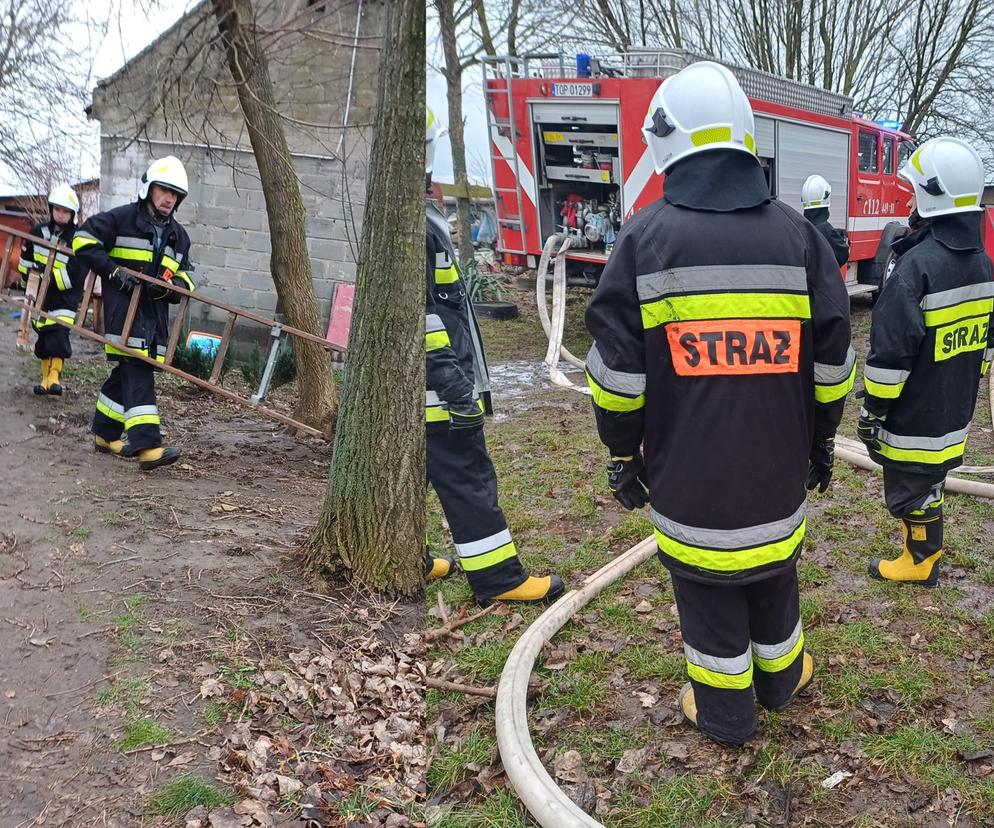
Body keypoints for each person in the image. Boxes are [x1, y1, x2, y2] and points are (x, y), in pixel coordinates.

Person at [584, 62, 854, 745]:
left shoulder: (645, 241)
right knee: (774, 576)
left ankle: (727, 713)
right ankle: (782, 680)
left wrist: (622, 451)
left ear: (668, 144)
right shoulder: (801, 239)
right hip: (777, 477)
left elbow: (618, 375)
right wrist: (821, 441)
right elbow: (832, 363)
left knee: (707, 595)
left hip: (691, 484)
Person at [424, 106, 565, 605]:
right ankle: (499, 579)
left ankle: (407, 557)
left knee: (413, 474)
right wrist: (455, 386)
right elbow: (426, 319)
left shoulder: (416, 220)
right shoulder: (417, 228)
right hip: (437, 391)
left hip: (424, 388)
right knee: (467, 476)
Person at [860, 137, 994, 586]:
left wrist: (873, 410)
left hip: (913, 414)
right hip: (954, 409)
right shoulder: (984, 264)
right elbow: (986, 344)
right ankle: (921, 550)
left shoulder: (916, 267)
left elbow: (891, 353)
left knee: (909, 488)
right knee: (930, 479)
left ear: (931, 195)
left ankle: (920, 560)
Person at [73, 155, 196, 472]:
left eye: (175, 194)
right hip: (123, 316)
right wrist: (112, 271)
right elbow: (83, 240)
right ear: (149, 189)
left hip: (153, 321)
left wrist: (170, 288)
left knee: (125, 375)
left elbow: (186, 278)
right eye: (163, 190)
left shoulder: (179, 237)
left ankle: (104, 433)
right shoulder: (121, 219)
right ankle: (147, 445)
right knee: (137, 373)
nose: (169, 198)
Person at [18, 185, 84, 395]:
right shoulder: (38, 232)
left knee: (58, 338)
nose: (61, 214)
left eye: (65, 211)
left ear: (72, 214)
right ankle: (45, 380)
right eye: (57, 209)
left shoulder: (77, 239)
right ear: (51, 209)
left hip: (64, 298)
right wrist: (29, 279)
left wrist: (49, 279)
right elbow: (25, 261)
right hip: (41, 297)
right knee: (44, 339)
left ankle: (54, 378)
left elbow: (75, 273)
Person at [801, 174, 850, 267]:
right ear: (826, 197)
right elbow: (842, 256)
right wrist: (843, 242)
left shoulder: (799, 226)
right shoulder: (827, 230)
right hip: (822, 280)